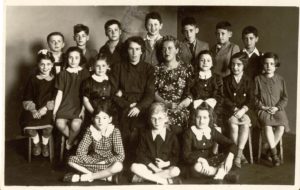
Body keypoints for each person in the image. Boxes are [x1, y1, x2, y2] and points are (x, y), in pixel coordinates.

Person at [110, 36, 155, 165]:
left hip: (142, 106)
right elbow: (113, 92)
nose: (134, 53)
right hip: (122, 105)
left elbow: (150, 93)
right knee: (122, 127)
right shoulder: (118, 67)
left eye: (137, 49)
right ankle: (121, 163)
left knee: (139, 129)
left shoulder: (149, 69)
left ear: (142, 51)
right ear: (127, 51)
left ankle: (139, 163)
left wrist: (139, 107)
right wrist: (128, 104)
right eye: (131, 49)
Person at [64, 102, 124, 183]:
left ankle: (85, 177)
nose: (100, 121)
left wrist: (105, 161)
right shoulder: (90, 131)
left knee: (118, 166)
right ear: (93, 119)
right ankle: (104, 177)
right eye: (97, 118)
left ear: (110, 119)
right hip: (93, 161)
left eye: (104, 118)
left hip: (107, 163)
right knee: (71, 160)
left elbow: (121, 155)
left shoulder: (114, 131)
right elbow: (80, 151)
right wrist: (91, 161)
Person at [182, 102, 238, 184]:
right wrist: (201, 160)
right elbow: (186, 155)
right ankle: (222, 174)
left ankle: (217, 177)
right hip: (195, 163)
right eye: (198, 117)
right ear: (194, 118)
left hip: (210, 161)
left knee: (229, 155)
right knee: (197, 167)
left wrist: (230, 157)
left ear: (209, 119)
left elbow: (231, 144)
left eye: (205, 117)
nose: (201, 121)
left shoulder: (211, 131)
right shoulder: (189, 133)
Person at [130, 102, 181, 185]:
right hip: (148, 167)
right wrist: (155, 168)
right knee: (134, 167)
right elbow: (140, 154)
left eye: (160, 118)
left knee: (176, 171)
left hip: (165, 168)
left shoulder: (172, 136)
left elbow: (176, 157)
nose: (157, 122)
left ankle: (144, 178)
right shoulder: (145, 135)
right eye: (153, 118)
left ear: (166, 118)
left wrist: (166, 163)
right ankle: (164, 181)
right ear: (150, 119)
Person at [254, 52, 289, 167]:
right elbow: (254, 97)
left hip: (277, 109)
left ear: (276, 66)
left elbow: (284, 98)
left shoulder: (280, 79)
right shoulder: (258, 79)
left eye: (271, 64)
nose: (268, 66)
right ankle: (274, 155)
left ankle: (267, 147)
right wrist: (262, 107)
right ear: (262, 65)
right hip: (263, 109)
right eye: (266, 64)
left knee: (281, 127)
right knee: (268, 125)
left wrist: (277, 107)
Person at [20, 49, 56, 157]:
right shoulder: (32, 79)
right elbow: (27, 96)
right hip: (33, 109)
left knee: (48, 127)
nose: (45, 67)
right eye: (42, 64)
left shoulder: (55, 80)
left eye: (48, 64)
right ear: (38, 65)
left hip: (48, 109)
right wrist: (33, 109)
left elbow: (55, 97)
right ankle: (36, 142)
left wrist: (45, 108)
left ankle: (45, 143)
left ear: (52, 65)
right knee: (29, 127)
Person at [53, 46, 90, 151]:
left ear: (80, 58)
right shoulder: (62, 74)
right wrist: (55, 110)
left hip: (79, 105)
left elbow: (86, 94)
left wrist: (83, 109)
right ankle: (74, 139)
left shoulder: (85, 73)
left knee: (75, 124)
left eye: (76, 58)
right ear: (67, 59)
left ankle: (69, 142)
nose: (73, 60)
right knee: (59, 123)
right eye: (70, 57)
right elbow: (59, 93)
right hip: (65, 104)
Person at [223, 52, 255, 168]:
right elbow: (224, 98)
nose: (235, 67)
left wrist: (243, 109)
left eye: (238, 65)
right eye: (233, 64)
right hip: (229, 110)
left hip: (245, 111)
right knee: (233, 125)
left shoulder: (249, 80)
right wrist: (234, 109)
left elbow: (251, 99)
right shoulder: (225, 80)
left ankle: (238, 154)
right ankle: (238, 155)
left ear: (244, 65)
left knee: (245, 124)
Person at [154, 35, 191, 135]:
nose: (167, 52)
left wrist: (185, 101)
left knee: (177, 128)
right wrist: (166, 104)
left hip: (180, 106)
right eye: (164, 49)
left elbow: (192, 90)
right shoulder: (157, 69)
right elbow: (153, 92)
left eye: (170, 48)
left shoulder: (186, 68)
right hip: (161, 105)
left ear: (177, 50)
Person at [183, 50, 224, 128]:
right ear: (198, 62)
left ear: (212, 63)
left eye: (208, 60)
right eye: (202, 60)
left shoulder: (217, 78)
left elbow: (220, 96)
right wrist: (192, 102)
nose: (205, 63)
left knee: (213, 122)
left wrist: (215, 109)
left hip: (214, 109)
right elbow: (187, 93)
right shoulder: (193, 77)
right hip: (195, 109)